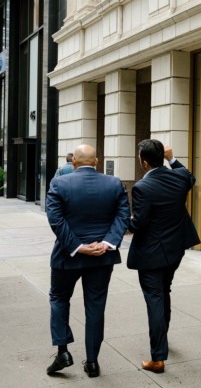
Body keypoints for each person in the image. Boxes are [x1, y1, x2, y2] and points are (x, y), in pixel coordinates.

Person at [45, 145, 130, 378]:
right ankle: (92, 362)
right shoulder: (114, 183)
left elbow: (55, 219)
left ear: (73, 163)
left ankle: (62, 351)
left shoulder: (59, 184)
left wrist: (77, 246)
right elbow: (123, 216)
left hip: (67, 255)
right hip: (102, 257)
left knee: (59, 298)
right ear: (97, 161)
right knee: (95, 306)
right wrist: (107, 243)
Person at [127, 139, 200, 374]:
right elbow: (189, 175)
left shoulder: (141, 188)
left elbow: (138, 223)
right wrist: (172, 158)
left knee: (155, 298)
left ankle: (158, 358)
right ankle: (163, 338)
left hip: (151, 253)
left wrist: (124, 221)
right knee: (164, 291)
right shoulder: (178, 178)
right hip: (176, 248)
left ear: (143, 162)